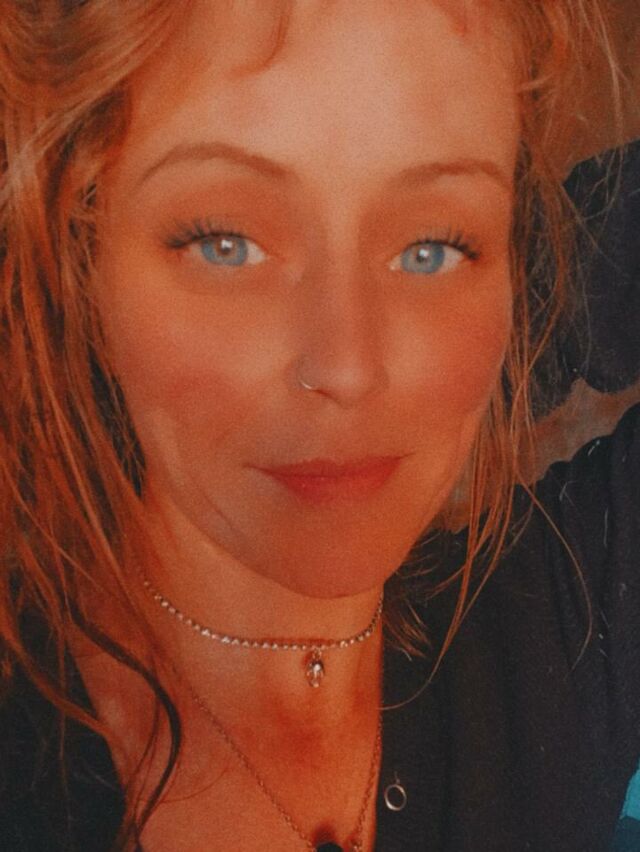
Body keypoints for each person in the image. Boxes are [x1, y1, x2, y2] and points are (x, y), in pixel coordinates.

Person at [0, 1, 637, 850]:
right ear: (83, 261)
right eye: (226, 243)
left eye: (435, 247)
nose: (346, 367)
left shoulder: (567, 632)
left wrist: (503, 353)